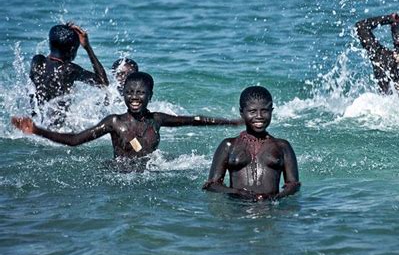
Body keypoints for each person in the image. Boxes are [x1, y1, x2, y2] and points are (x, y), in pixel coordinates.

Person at [12, 72, 242, 165]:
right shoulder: (114, 122)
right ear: (123, 94)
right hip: (118, 174)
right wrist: (37, 130)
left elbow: (194, 120)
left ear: (150, 96)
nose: (134, 97)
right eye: (130, 92)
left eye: (140, 93)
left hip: (152, 172)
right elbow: (75, 140)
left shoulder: (157, 119)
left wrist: (232, 122)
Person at [202, 86, 300, 201]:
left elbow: (294, 185)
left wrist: (275, 198)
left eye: (264, 111)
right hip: (238, 208)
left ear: (271, 111)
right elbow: (211, 185)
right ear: (242, 113)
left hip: (270, 209)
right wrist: (237, 192)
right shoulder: (229, 145)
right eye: (252, 111)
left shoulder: (282, 147)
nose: (259, 116)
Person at [29, 22, 109, 124]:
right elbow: (103, 83)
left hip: (35, 123)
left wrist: (62, 32)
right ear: (72, 49)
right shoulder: (69, 70)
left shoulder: (37, 61)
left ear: (50, 43)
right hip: (56, 130)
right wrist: (87, 47)